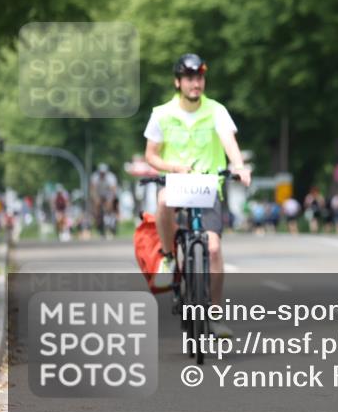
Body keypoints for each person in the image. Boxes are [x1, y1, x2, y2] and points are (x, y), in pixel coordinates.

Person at [143, 53, 252, 338]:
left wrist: (238, 165)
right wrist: (174, 167)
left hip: (207, 188)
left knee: (213, 248)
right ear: (177, 82)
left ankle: (214, 316)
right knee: (163, 201)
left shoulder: (216, 110)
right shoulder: (162, 114)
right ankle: (168, 257)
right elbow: (151, 155)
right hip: (177, 183)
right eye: (190, 78)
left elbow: (229, 141)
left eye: (200, 78)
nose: (196, 83)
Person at [89, 163, 118, 238]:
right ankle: (98, 220)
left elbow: (113, 190)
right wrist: (95, 199)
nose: (102, 175)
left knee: (111, 206)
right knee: (96, 206)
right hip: (99, 194)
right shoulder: (95, 177)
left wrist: (110, 200)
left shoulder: (111, 177)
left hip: (108, 194)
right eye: (101, 173)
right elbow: (92, 190)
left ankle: (112, 219)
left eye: (103, 173)